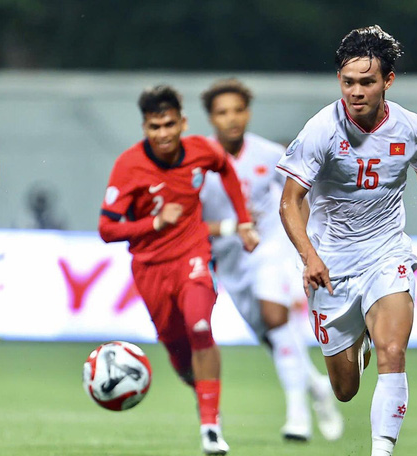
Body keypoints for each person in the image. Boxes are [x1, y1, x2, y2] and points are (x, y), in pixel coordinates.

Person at [277, 25, 417, 456]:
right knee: (344, 390)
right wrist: (310, 257)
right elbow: (289, 203)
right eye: (348, 81)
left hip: (386, 252)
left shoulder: (411, 128)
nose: (356, 91)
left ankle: (382, 450)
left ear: (387, 81)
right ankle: (356, 344)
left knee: (394, 351)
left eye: (367, 81)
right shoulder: (322, 129)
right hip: (330, 266)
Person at [99, 85, 258, 455]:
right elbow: (107, 229)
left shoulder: (204, 150)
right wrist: (153, 224)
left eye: (169, 124)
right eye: (155, 127)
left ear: (183, 122)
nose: (164, 133)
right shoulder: (128, 166)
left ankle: (210, 429)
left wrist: (244, 221)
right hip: (151, 268)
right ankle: (201, 389)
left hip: (193, 253)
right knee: (179, 352)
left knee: (200, 326)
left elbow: (227, 170)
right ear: (145, 128)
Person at [199, 79, 343, 442]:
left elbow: (298, 195)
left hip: (268, 249)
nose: (231, 119)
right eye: (222, 112)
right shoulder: (197, 165)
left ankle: (298, 416)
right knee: (273, 336)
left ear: (247, 113)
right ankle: (318, 388)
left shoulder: (268, 153)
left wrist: (307, 248)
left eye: (237, 110)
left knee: (275, 317)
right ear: (211, 118)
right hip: (228, 260)